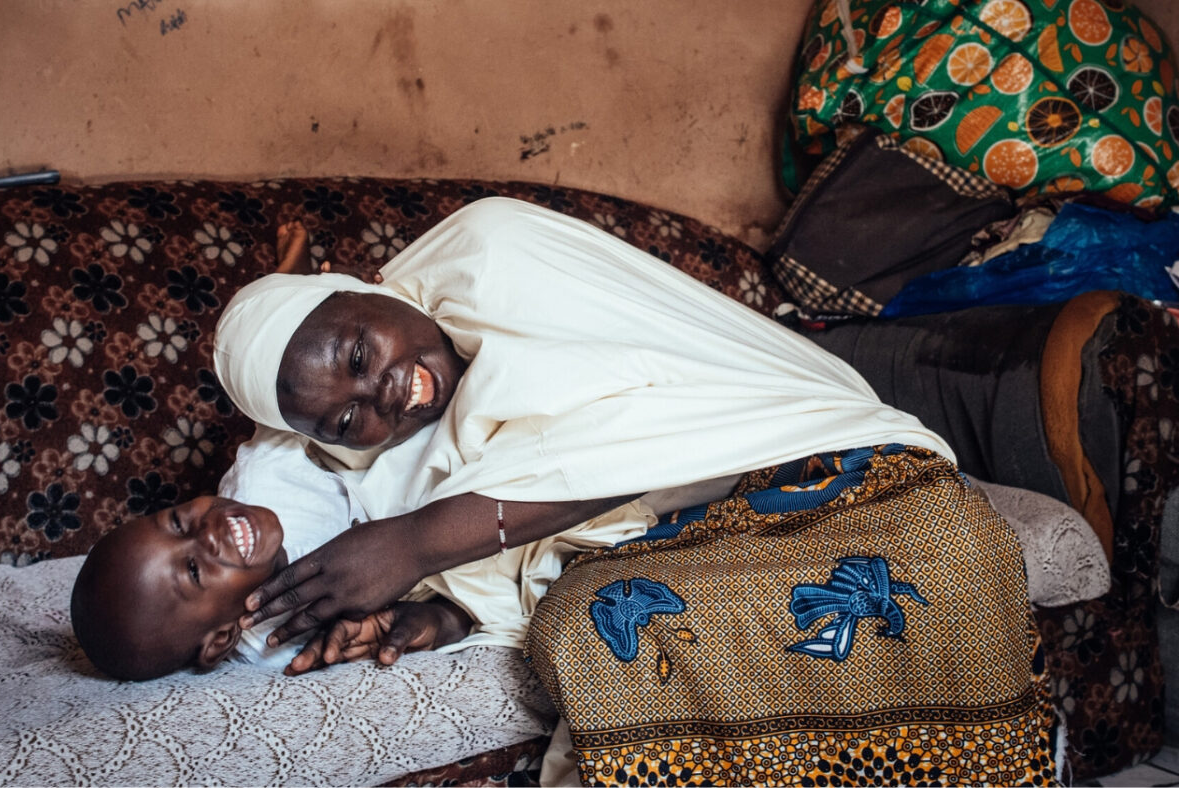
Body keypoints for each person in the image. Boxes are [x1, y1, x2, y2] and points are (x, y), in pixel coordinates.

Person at [212, 198, 1059, 784]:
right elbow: (536, 562)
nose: (384, 393)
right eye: (345, 419)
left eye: (361, 354)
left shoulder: (488, 253)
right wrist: (439, 615)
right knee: (597, 627)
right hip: (684, 531)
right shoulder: (396, 471)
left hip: (805, 452)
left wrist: (418, 544)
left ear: (363, 290)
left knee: (937, 555)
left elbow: (642, 420)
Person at [70, 428, 473, 681]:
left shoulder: (264, 468)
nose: (207, 531)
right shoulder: (286, 648)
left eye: (178, 521)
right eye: (193, 570)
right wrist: (437, 620)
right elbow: (438, 623)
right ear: (222, 639)